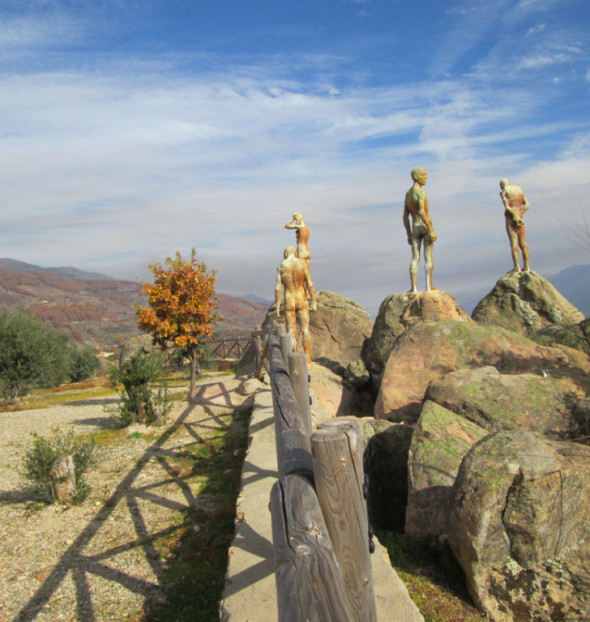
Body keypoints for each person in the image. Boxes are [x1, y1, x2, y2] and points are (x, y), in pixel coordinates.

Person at [275, 246, 317, 363]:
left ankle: (292, 359)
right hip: (301, 297)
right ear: (294, 252)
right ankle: (307, 358)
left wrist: (278, 304)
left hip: (289, 299)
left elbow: (278, 287)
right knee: (305, 329)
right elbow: (309, 283)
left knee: (290, 330)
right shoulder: (302, 264)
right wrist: (313, 300)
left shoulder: (281, 266)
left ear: (285, 254)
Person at [403, 167, 437, 292]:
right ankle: (428, 287)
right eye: (423, 175)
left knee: (415, 258)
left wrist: (408, 233)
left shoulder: (408, 194)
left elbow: (405, 216)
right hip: (424, 225)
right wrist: (431, 229)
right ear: (416, 177)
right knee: (428, 256)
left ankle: (414, 288)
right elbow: (422, 211)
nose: (426, 177)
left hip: (414, 227)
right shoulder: (421, 193)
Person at [499, 179, 530, 273]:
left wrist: (515, 216)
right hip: (520, 218)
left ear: (502, 185)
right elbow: (527, 205)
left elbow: (507, 207)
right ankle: (527, 266)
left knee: (514, 243)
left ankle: (517, 267)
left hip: (510, 218)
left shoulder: (504, 192)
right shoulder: (518, 189)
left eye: (500, 185)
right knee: (523, 243)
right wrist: (519, 214)